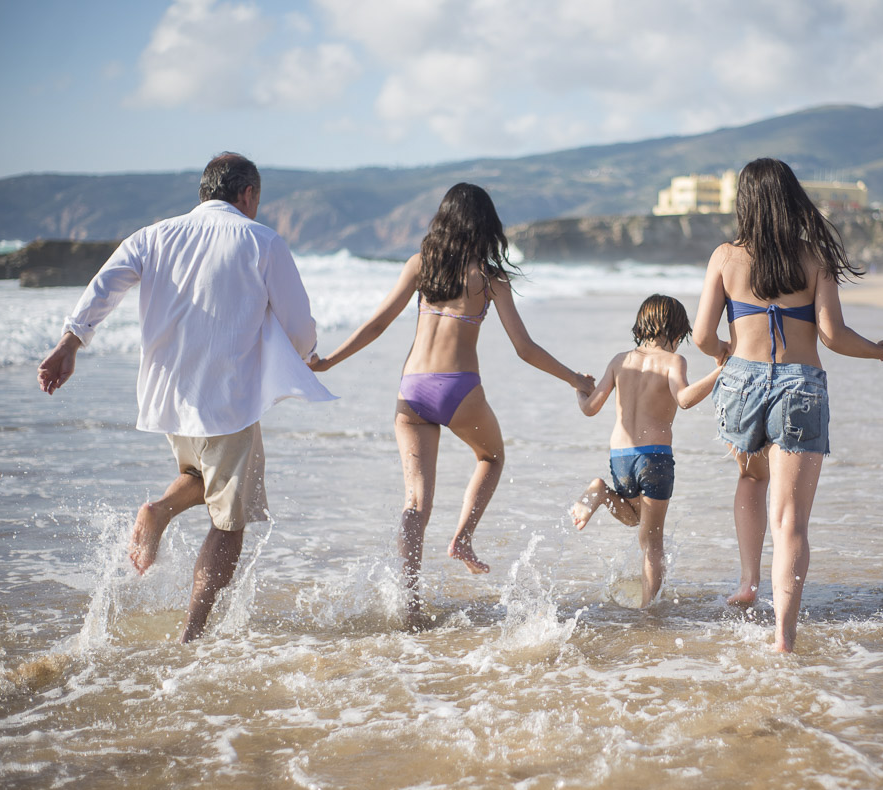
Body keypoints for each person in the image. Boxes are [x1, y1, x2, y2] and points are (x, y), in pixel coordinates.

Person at [37, 152, 334, 643]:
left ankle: (158, 510)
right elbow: (298, 323)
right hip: (228, 397)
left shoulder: (154, 235)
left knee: (197, 474)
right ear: (249, 194)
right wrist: (304, 355)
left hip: (170, 394)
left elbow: (105, 284)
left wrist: (71, 343)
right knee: (230, 520)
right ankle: (191, 634)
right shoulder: (260, 239)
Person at [310, 183, 593, 629]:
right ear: (485, 226)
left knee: (415, 503)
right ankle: (462, 537)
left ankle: (410, 605)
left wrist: (328, 361)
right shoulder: (490, 279)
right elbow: (525, 348)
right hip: (459, 390)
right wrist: (575, 378)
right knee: (492, 457)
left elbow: (378, 323)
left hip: (411, 391)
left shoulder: (420, 266)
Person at [692, 158, 883, 653]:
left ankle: (749, 582)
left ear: (744, 202)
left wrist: (727, 354)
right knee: (790, 519)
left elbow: (703, 335)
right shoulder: (813, 259)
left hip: (741, 384)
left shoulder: (725, 257)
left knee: (750, 478)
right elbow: (832, 336)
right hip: (799, 388)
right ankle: (783, 638)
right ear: (791, 198)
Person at [569, 294, 725, 607]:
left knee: (633, 520)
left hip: (621, 457)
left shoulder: (619, 360)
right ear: (678, 333)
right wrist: (719, 371)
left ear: (641, 326)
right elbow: (684, 398)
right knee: (652, 541)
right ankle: (648, 614)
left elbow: (589, 409)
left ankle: (600, 490)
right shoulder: (673, 361)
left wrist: (578, 388)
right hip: (654, 457)